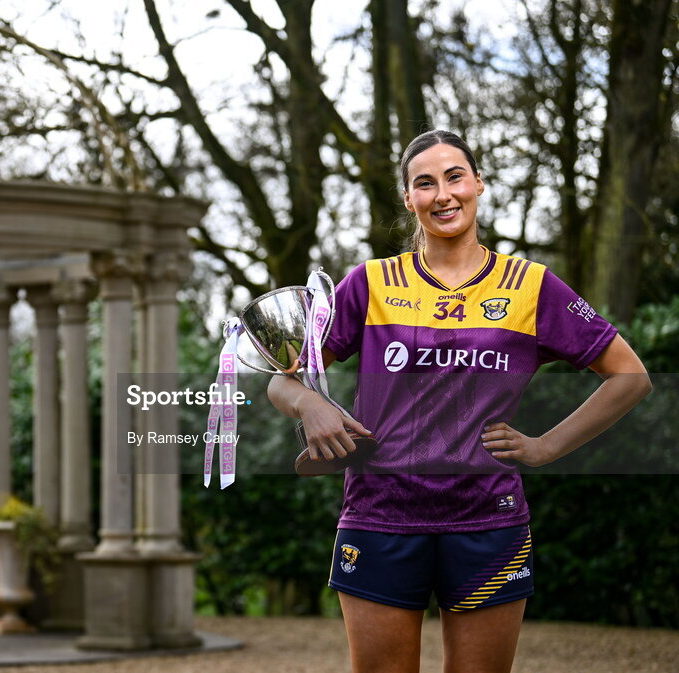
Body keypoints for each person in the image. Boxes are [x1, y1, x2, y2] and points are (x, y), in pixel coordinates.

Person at [267, 129, 652, 673]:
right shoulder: (369, 283)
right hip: (379, 516)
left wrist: (544, 448)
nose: (442, 194)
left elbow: (630, 376)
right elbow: (280, 380)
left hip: (487, 519)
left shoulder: (532, 286)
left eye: (455, 177)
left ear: (478, 184)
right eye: (425, 184)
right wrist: (311, 405)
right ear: (409, 199)